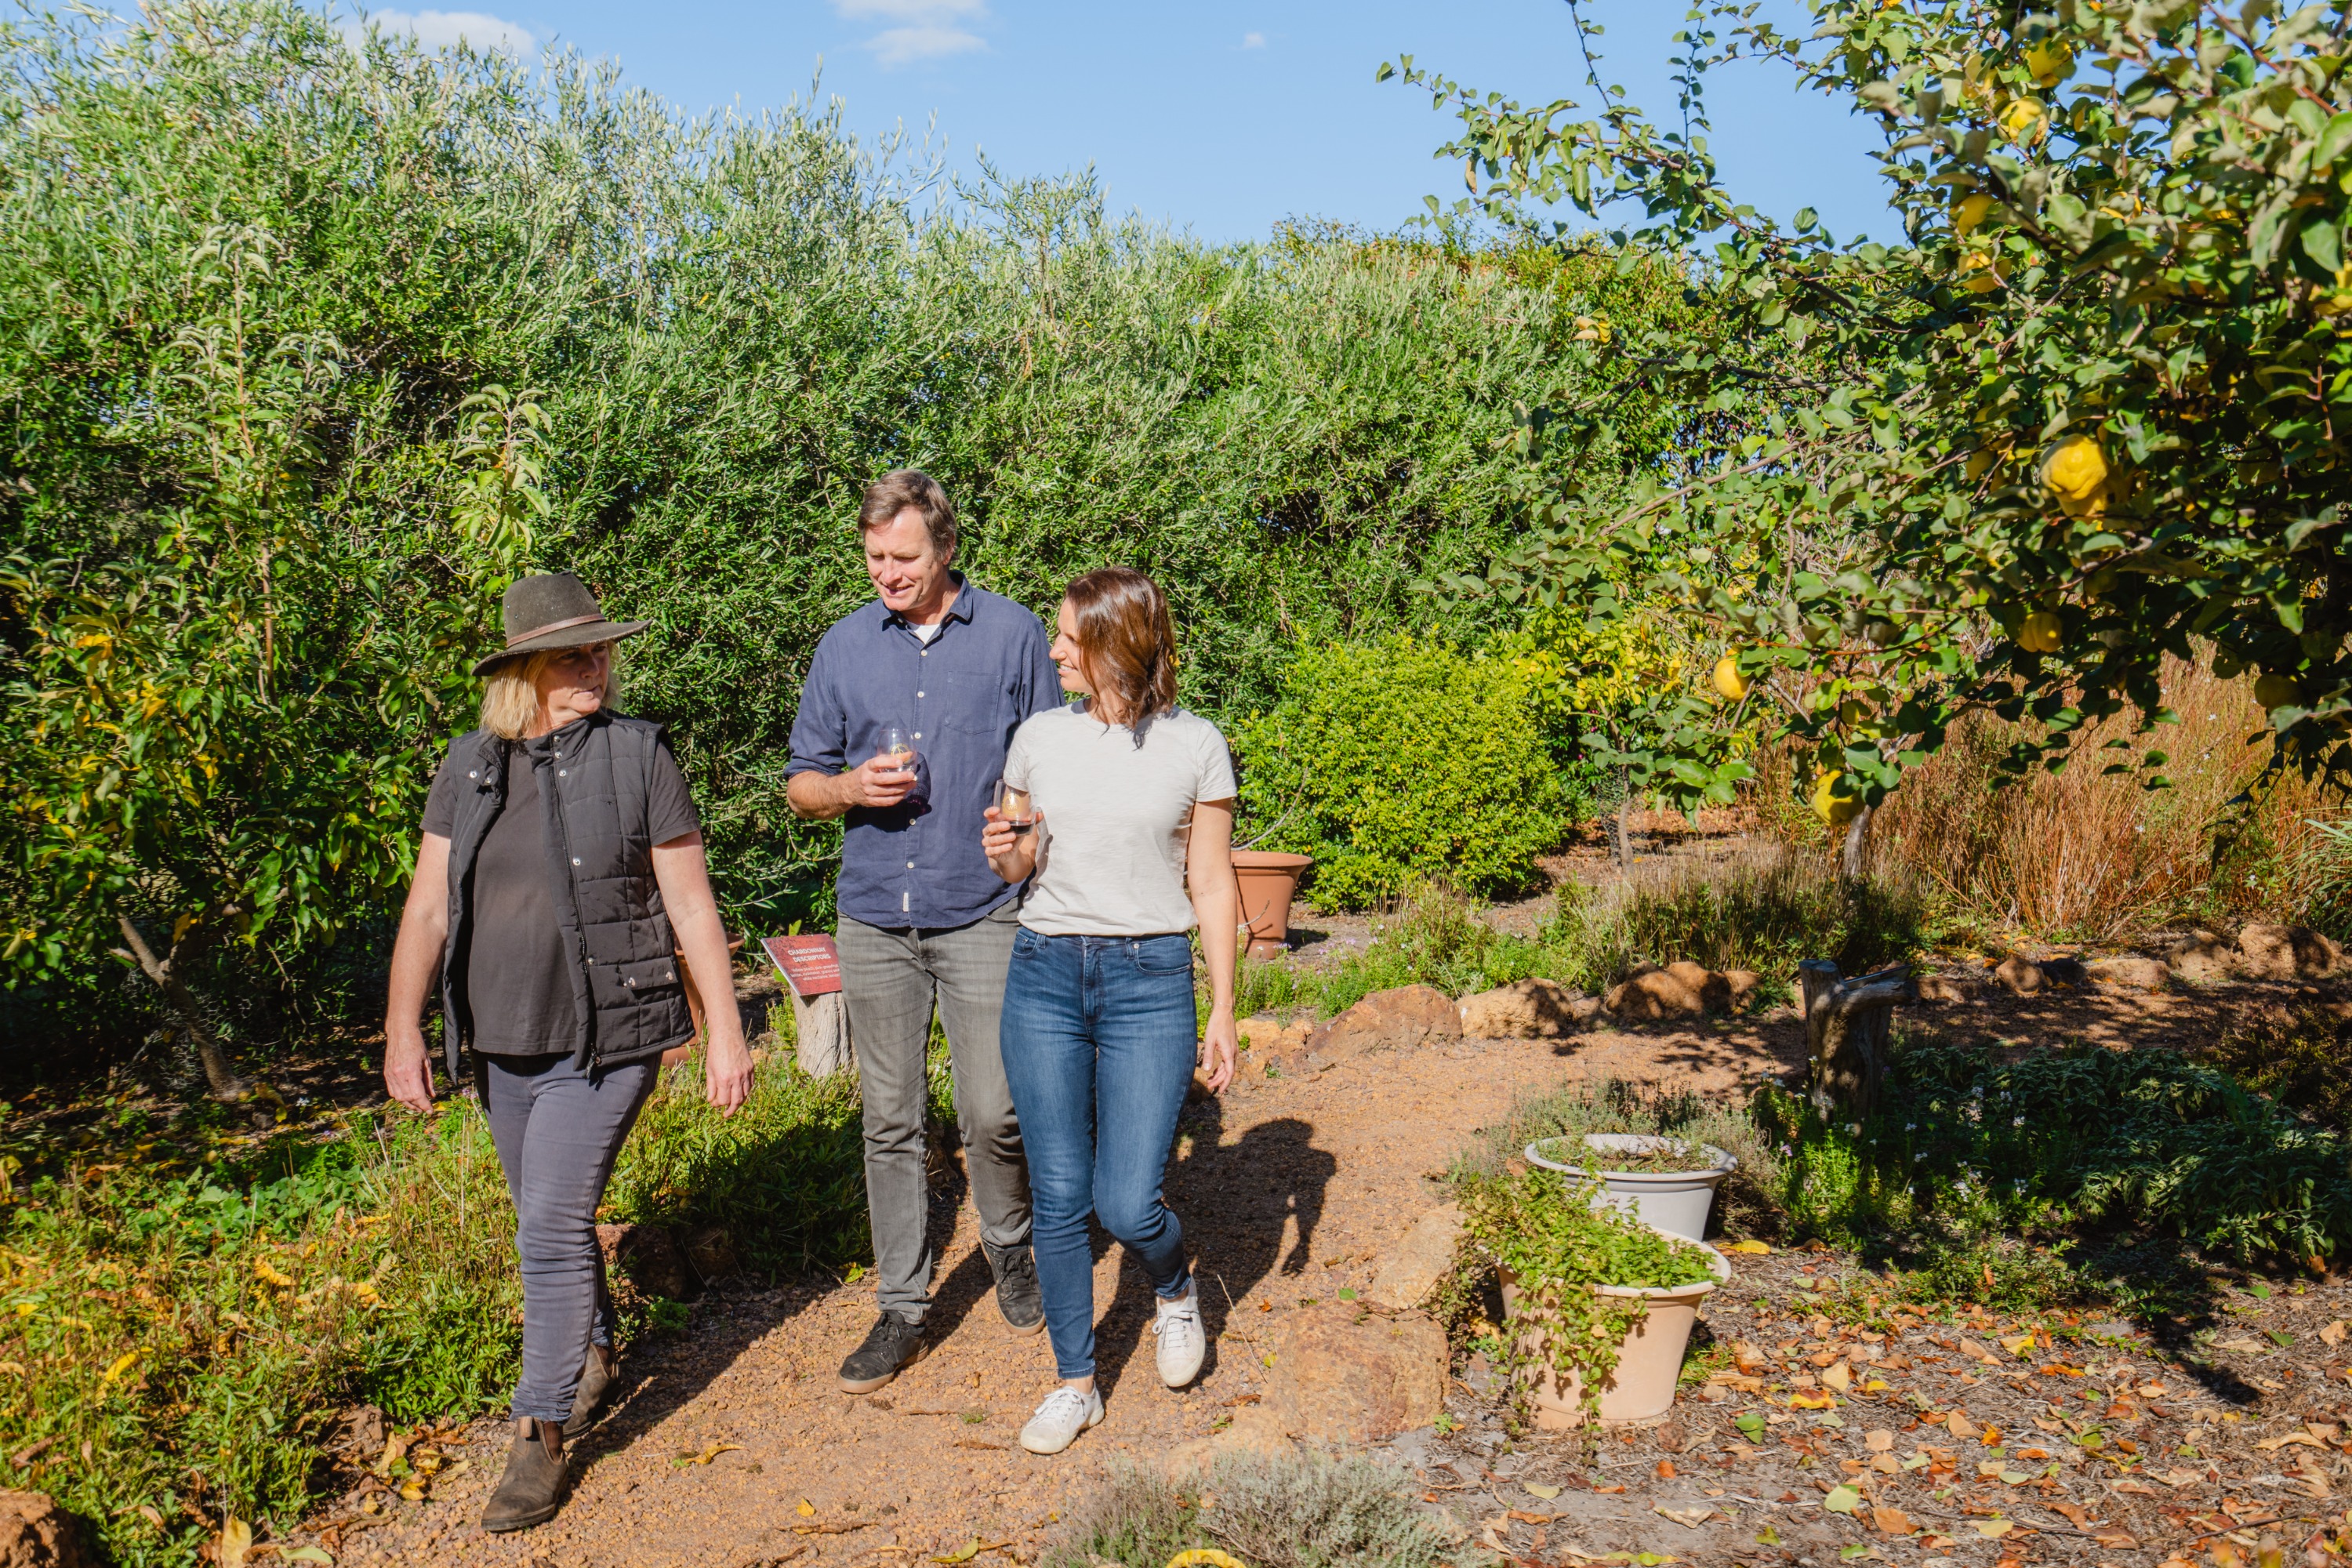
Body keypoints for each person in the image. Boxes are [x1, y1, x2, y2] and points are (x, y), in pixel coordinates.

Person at [382, 572, 753, 1534]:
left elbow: (691, 904)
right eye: (572, 654)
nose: (595, 666)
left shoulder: (639, 755)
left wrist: (724, 1027)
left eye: (600, 650)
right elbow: (427, 906)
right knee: (543, 1217)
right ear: (523, 672)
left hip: (609, 1037)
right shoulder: (468, 765)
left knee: (549, 1224)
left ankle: (539, 1431)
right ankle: (587, 1350)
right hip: (501, 1041)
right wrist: (402, 1025)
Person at [786, 470, 1063, 1392]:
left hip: (983, 904)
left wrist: (1022, 828)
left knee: (995, 1109)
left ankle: (1011, 1246)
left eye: (903, 556)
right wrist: (849, 788)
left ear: (945, 548)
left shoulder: (1016, 635)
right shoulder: (843, 647)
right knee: (890, 1118)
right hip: (875, 914)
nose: (887, 573)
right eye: (873, 558)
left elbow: (1054, 766)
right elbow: (800, 783)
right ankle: (902, 1306)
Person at [978, 565, 1241, 1456]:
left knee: (1127, 1203)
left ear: (1114, 643)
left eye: (1067, 636)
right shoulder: (1037, 738)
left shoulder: (1196, 745)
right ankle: (1075, 1381)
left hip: (1148, 977)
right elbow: (1015, 863)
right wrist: (1007, 851)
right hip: (1046, 970)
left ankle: (1172, 1284)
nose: (1053, 649)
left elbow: (1210, 880)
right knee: (1058, 1196)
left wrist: (1226, 1010)